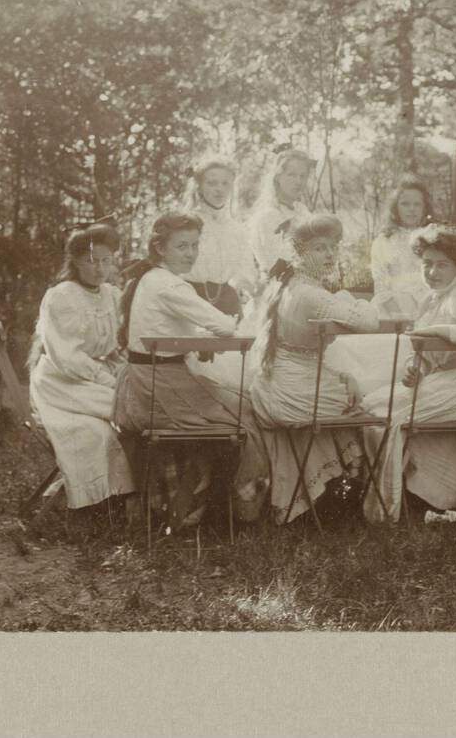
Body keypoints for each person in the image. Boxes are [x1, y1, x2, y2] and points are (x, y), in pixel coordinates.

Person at [112, 212, 268, 532]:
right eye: (182, 246)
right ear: (160, 248)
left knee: (239, 403)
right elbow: (225, 324)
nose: (191, 253)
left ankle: (209, 504)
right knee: (243, 417)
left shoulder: (151, 278)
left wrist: (199, 340)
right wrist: (211, 335)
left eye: (195, 245)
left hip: (148, 382)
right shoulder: (168, 284)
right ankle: (221, 512)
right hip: (158, 388)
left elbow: (170, 327)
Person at [360, 226, 456, 522]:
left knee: (386, 415)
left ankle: (386, 510)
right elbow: (424, 352)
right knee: (372, 406)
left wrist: (438, 330)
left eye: (442, 265)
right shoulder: (430, 299)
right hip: (446, 381)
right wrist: (417, 369)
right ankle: (394, 497)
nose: (433, 272)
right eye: (427, 264)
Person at [249, 214, 381, 523]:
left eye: (333, 247)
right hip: (291, 392)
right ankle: (349, 494)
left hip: (279, 384)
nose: (330, 255)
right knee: (373, 400)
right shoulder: (310, 294)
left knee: (351, 384)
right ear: (298, 252)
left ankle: (327, 496)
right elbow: (369, 321)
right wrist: (349, 298)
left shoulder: (289, 285)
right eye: (320, 248)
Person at [27, 224, 136, 511]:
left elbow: (116, 345)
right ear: (75, 261)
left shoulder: (112, 295)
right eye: (91, 261)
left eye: (106, 261)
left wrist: (122, 369)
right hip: (62, 383)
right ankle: (111, 502)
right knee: (128, 412)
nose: (99, 269)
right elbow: (67, 357)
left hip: (93, 377)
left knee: (136, 406)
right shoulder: (63, 295)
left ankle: (136, 497)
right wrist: (107, 379)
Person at [181, 159, 257, 318]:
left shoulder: (236, 229)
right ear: (199, 186)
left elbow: (245, 272)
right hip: (190, 299)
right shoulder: (185, 223)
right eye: (212, 183)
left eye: (225, 184)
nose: (219, 190)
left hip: (227, 302)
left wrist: (249, 287)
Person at [247, 149, 315, 285]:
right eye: (292, 175)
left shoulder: (302, 210)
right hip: (279, 285)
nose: (298, 181)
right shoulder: (268, 215)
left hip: (305, 280)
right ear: (278, 176)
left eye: (303, 176)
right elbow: (278, 262)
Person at [370, 177, 434, 318]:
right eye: (405, 204)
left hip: (431, 302)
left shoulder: (434, 238)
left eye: (417, 204)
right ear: (395, 207)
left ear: (425, 208)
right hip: (394, 305)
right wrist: (399, 315)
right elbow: (380, 284)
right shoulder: (383, 241)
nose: (411, 209)